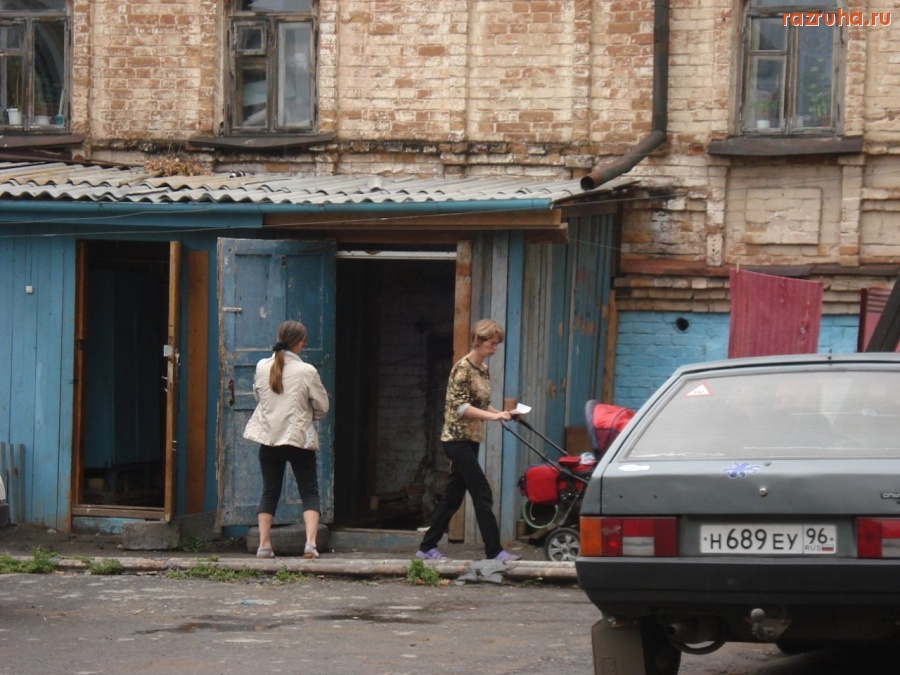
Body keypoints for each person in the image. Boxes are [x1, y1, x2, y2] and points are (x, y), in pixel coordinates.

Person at [416, 318, 520, 562]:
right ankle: (494, 551)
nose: (495, 348)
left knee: (453, 497)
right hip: (456, 439)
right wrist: (494, 417)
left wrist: (503, 414)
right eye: (492, 343)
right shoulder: (462, 369)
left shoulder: (482, 369)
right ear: (478, 341)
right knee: (482, 492)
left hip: (471, 439)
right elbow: (462, 408)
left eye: (497, 344)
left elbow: (481, 404)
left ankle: (427, 547)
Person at [243, 320, 329, 559]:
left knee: (269, 492)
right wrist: (309, 415)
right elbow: (322, 406)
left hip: (269, 439)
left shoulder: (262, 366)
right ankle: (310, 544)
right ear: (300, 343)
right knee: (309, 491)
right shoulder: (307, 371)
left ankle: (263, 545)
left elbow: (259, 397)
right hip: (298, 438)